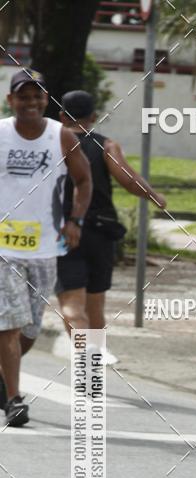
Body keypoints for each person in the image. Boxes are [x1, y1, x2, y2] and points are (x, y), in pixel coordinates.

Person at [0, 69, 92, 426]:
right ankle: (14, 400)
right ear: (11, 100)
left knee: (30, 330)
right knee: (10, 323)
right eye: (24, 96)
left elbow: (84, 181)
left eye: (38, 96)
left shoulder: (61, 136)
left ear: (46, 100)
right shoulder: (2, 134)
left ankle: (5, 378)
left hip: (45, 247)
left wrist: (75, 221)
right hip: (3, 247)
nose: (31, 102)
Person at [56, 90, 166, 363]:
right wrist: (154, 196)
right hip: (100, 232)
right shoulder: (106, 146)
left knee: (71, 302)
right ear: (94, 116)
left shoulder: (52, 144)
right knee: (96, 300)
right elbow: (129, 180)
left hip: (64, 230)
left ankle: (85, 352)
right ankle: (96, 350)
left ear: (61, 116)